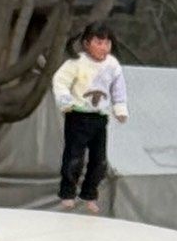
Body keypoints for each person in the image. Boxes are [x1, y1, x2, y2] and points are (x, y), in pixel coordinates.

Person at [51, 25, 128, 212]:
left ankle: (90, 194)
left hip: (100, 117)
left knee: (99, 160)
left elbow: (119, 88)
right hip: (78, 115)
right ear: (87, 43)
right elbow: (60, 81)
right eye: (99, 42)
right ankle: (68, 192)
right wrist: (65, 102)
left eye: (107, 42)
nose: (104, 47)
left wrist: (120, 108)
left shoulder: (112, 65)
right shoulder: (76, 63)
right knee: (74, 157)